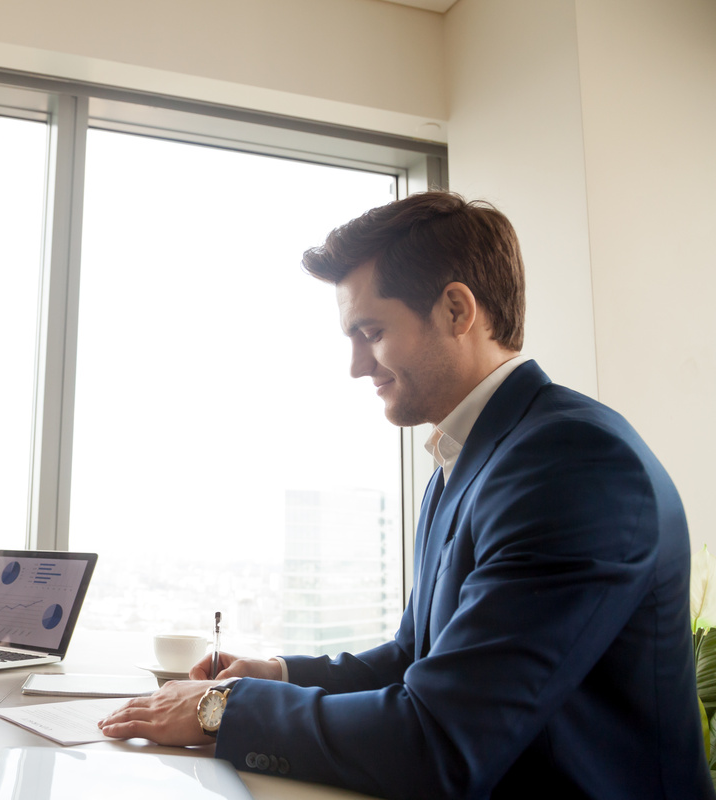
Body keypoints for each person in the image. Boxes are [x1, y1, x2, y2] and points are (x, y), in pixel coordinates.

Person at [98, 192, 713, 798]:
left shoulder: (572, 464)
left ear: (455, 310)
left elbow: (441, 739)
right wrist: (277, 675)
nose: (357, 366)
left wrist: (222, 710)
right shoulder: (471, 455)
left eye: (371, 331)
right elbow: (414, 656)